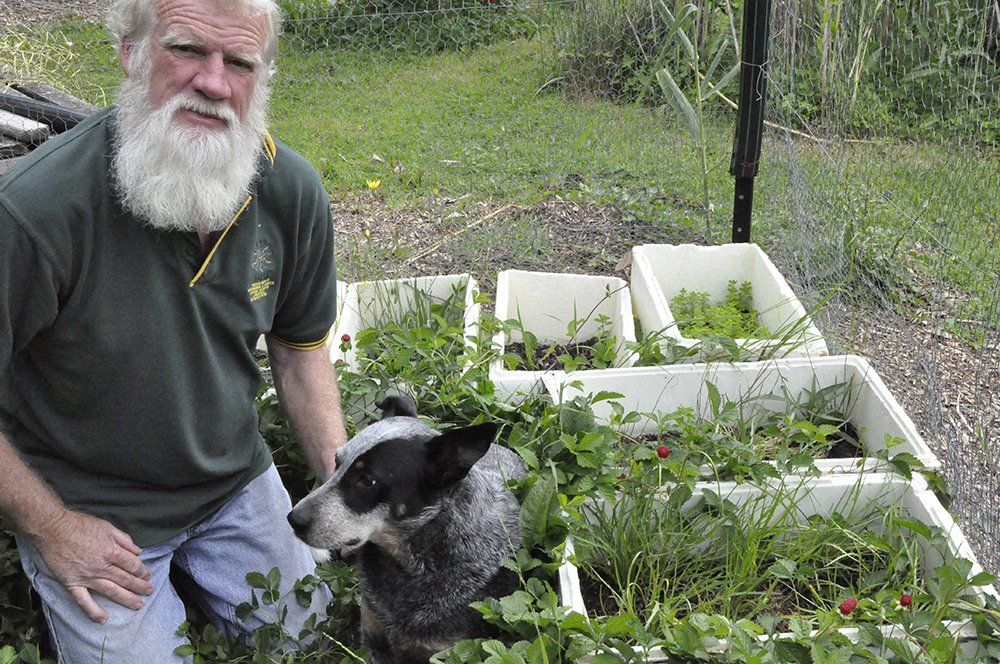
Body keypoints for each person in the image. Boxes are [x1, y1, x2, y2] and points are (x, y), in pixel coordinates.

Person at [0, 0, 347, 659]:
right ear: (131, 51)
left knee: (319, 645)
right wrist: (53, 529)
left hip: (233, 481)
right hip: (94, 509)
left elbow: (301, 357)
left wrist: (353, 492)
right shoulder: (33, 212)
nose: (213, 83)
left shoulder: (289, 192)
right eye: (187, 50)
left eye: (239, 62)